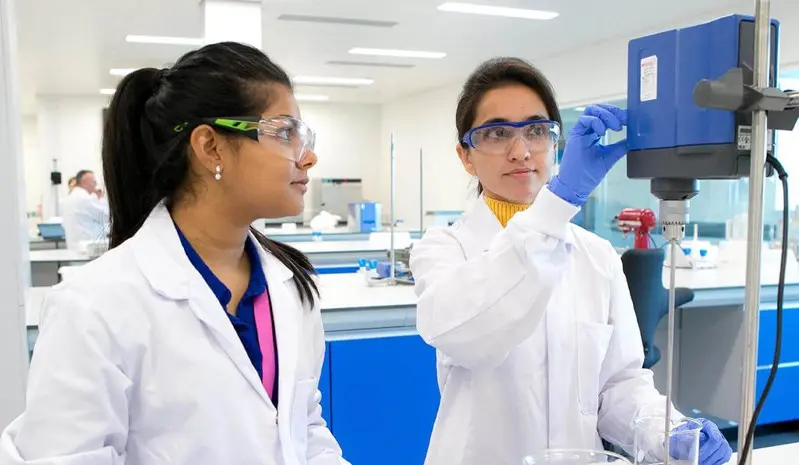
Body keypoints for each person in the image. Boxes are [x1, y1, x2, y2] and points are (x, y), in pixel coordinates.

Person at [0, 42, 348, 465]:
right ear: (210, 146)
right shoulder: (94, 306)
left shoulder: (289, 285)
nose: (308, 157)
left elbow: (304, 428)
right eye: (284, 133)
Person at [409, 57, 732, 465]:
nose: (521, 151)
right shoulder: (443, 250)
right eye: (496, 133)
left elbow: (618, 386)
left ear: (555, 143)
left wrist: (667, 432)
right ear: (466, 156)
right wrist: (559, 201)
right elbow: (473, 339)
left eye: (536, 131)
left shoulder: (597, 255)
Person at [61, 169, 110, 250]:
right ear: (84, 182)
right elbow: (106, 216)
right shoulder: (85, 199)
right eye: (93, 181)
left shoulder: (69, 198)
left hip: (74, 245)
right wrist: (101, 198)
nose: (95, 184)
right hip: (88, 246)